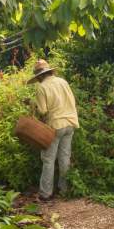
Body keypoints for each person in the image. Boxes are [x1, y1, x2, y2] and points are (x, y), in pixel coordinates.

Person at [29, 59, 79, 201]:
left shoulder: (42, 87)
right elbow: (72, 101)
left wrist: (33, 104)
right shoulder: (63, 82)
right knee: (64, 158)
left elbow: (43, 111)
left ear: (39, 76)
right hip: (70, 122)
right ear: (50, 71)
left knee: (48, 159)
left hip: (55, 125)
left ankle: (45, 194)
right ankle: (64, 190)